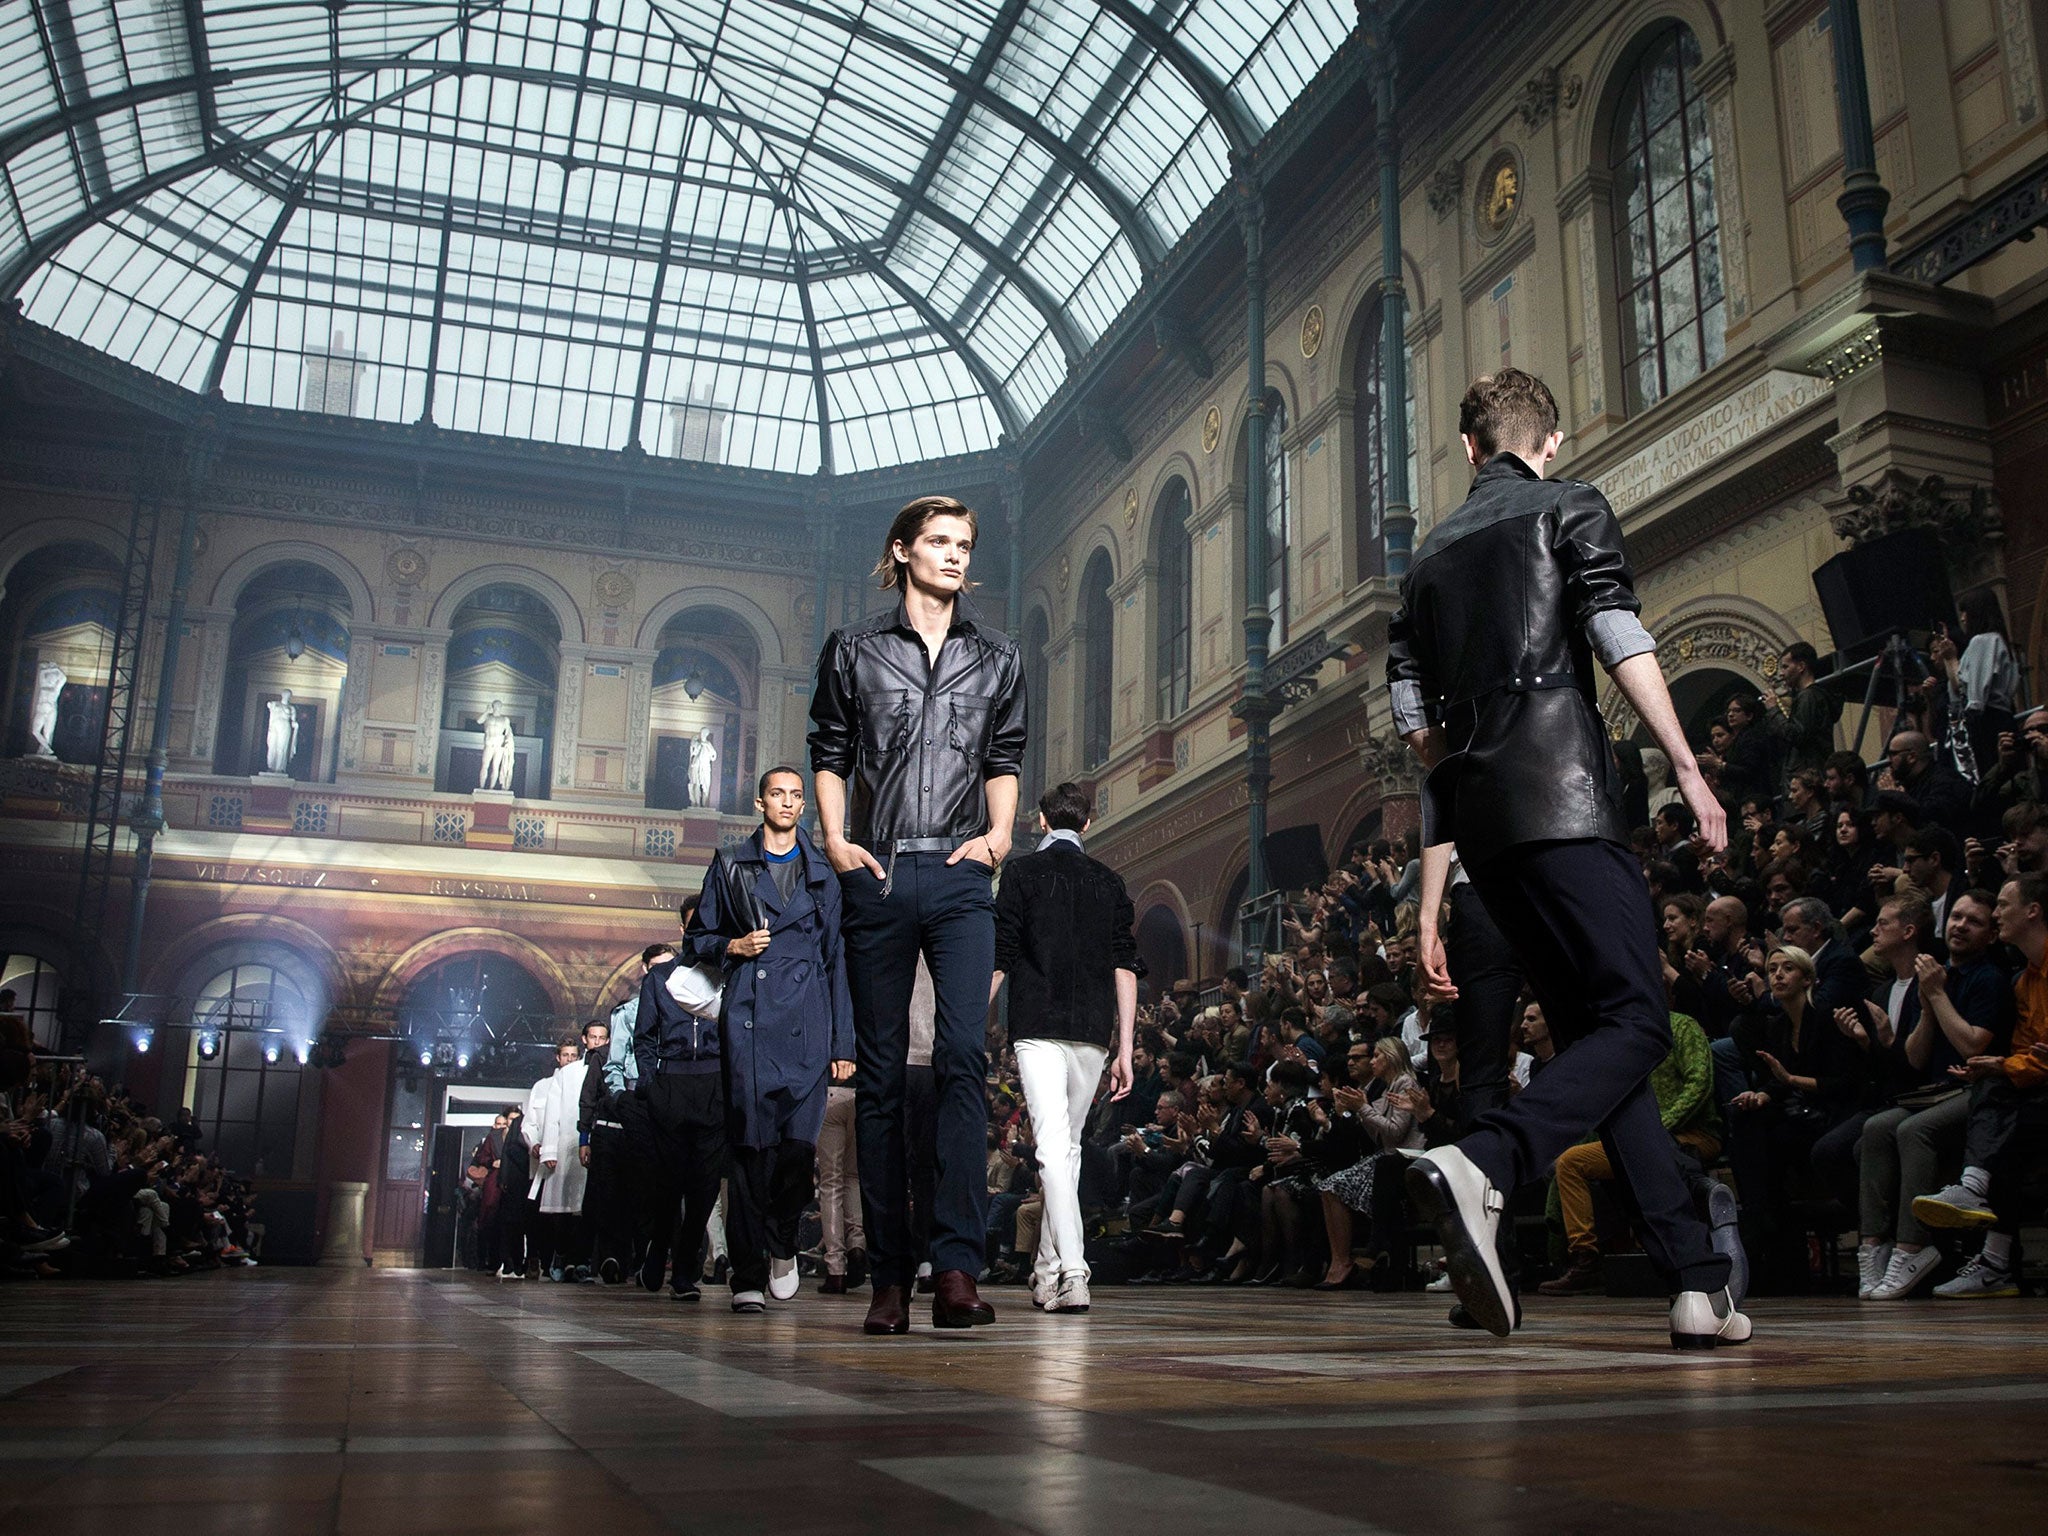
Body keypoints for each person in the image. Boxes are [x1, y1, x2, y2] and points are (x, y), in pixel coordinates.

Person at [1387, 367, 1746, 1348]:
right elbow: (1614, 631)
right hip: (1566, 799)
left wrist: (1467, 782)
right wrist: (1685, 766)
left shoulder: (1423, 562)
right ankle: (1489, 1161)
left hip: (1484, 829)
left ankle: (1696, 1282)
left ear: (1470, 449)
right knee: (1635, 1018)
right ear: (1546, 443)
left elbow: (1410, 718)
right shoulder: (1567, 504)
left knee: (1601, 1042)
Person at [808, 494, 1027, 1335]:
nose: (955, 555)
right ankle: (890, 1278)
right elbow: (831, 751)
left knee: (966, 1060)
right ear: (902, 551)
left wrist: (1001, 835)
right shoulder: (854, 648)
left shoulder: (997, 655)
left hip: (965, 873)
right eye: (938, 542)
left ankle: (958, 1271)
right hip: (883, 872)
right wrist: (835, 840)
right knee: (884, 1074)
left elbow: (1004, 754)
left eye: (965, 544)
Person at [683, 766, 854, 1314]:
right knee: (750, 1158)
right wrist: (732, 947)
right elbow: (697, 939)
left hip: (808, 1021)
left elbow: (837, 961)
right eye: (778, 794)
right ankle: (748, 1276)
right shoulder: (731, 862)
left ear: (804, 806)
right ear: (761, 802)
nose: (787, 803)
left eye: (796, 795)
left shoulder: (823, 871)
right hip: (750, 1022)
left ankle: (782, 1243)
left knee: (796, 1156)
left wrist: (843, 1044)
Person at [990, 782, 1140, 1314]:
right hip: (1094, 1031)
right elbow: (1126, 965)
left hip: (1036, 1022)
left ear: (1040, 818)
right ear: (1089, 823)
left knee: (1055, 1150)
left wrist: (971, 1023)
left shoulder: (1023, 873)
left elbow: (1002, 953)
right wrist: (1125, 1045)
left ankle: (1075, 1272)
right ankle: (1047, 1267)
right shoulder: (1110, 881)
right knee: (1065, 1151)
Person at [1852, 889, 2009, 1300]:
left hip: (1977, 1089)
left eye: (1973, 921)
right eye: (1956, 917)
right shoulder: (1938, 975)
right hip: (1934, 1088)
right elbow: (1917, 1059)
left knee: (1913, 1131)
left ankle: (1913, 1247)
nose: (1960, 925)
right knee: (1876, 1127)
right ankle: (1873, 1247)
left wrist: (1937, 996)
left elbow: (1973, 1046)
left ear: (1991, 934)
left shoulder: (1987, 978)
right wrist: (1924, 1005)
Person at [1912, 873, 2048, 1299]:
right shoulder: (2026, 979)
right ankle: (1993, 1259)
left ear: (2033, 910)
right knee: (2003, 1120)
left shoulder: (1999, 978)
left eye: (2002, 905)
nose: (1997, 914)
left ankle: (1974, 1195)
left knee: (1999, 1102)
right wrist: (2006, 1065)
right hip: (2037, 1084)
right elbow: (2032, 1049)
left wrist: (2008, 1064)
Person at [634, 904, 731, 1301]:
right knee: (668, 1183)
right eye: (696, 924)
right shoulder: (658, 978)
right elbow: (644, 1037)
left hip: (714, 1083)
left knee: (706, 1186)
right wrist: (651, 1085)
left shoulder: (727, 973)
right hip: (671, 1083)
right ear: (683, 928)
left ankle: (686, 1272)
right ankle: (659, 1248)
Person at [525, 1035, 590, 1280]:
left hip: (576, 1154)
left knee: (576, 1211)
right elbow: (530, 1123)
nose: (570, 1059)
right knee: (549, 1215)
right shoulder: (542, 1086)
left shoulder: (586, 1081)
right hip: (547, 1161)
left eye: (574, 1055)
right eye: (566, 1055)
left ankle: (571, 1261)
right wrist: (538, 1145)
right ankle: (549, 1259)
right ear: (558, 1057)